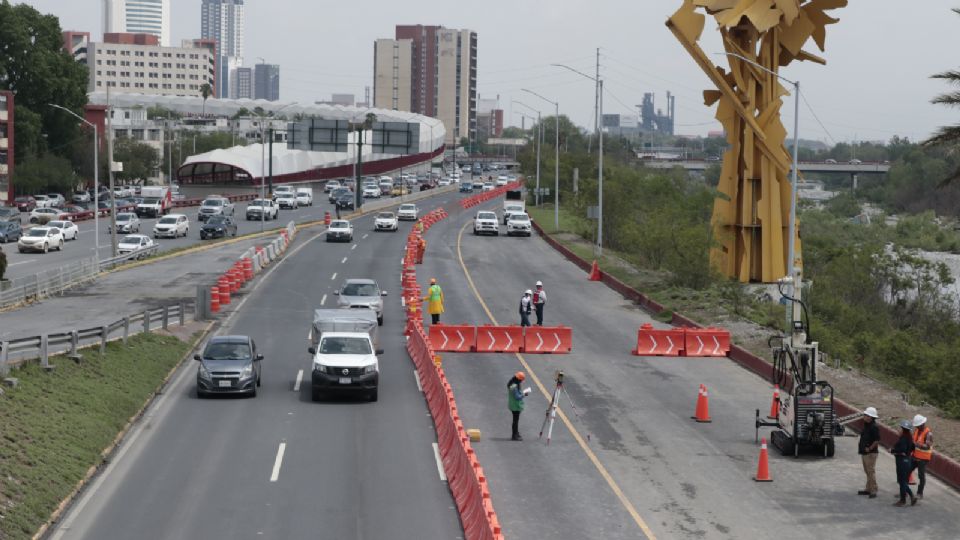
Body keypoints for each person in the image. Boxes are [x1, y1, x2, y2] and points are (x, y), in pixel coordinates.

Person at [892, 420, 917, 507]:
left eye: (900, 428)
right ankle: (912, 497)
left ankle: (903, 500)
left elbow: (902, 449)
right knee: (903, 481)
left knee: (902, 481)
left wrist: (893, 451)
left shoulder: (903, 439)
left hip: (902, 461)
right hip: (907, 460)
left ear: (903, 430)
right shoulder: (910, 438)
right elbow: (913, 448)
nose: (898, 430)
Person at [857, 406, 881, 498]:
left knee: (870, 471)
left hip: (870, 453)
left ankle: (874, 490)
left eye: (866, 415)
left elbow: (877, 440)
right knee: (867, 471)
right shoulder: (867, 425)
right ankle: (868, 489)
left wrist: (870, 448)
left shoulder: (874, 427)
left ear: (870, 417)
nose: (864, 416)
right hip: (864, 452)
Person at [911, 414, 933, 500]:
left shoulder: (928, 433)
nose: (916, 427)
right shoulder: (917, 431)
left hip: (923, 459)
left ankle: (920, 493)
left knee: (921, 476)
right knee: (907, 471)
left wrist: (916, 444)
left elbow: (927, 446)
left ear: (922, 424)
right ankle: (904, 490)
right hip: (915, 456)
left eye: (917, 425)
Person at [507, 372, 529, 441]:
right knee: (515, 421)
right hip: (515, 406)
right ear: (519, 380)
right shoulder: (514, 387)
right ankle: (514, 435)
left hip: (513, 405)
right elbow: (517, 397)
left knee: (515, 420)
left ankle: (516, 433)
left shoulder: (512, 384)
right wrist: (524, 394)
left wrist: (522, 393)